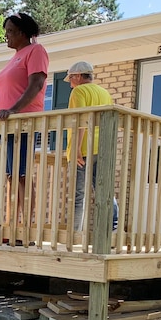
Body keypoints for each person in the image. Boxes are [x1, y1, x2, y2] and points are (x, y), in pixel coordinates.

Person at [0, 12, 49, 227]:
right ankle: (13, 225)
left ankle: (25, 228)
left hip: (23, 123)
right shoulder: (14, 58)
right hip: (8, 126)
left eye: (10, 31)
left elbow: (36, 84)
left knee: (22, 174)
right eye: (6, 31)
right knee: (11, 176)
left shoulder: (35, 51)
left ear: (23, 32)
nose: (6, 35)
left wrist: (13, 110)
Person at [65, 61, 118, 231]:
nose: (70, 83)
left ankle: (74, 234)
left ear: (79, 76)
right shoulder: (105, 93)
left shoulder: (79, 91)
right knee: (105, 191)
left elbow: (80, 121)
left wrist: (76, 150)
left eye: (71, 78)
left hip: (85, 149)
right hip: (102, 147)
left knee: (79, 195)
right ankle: (113, 229)